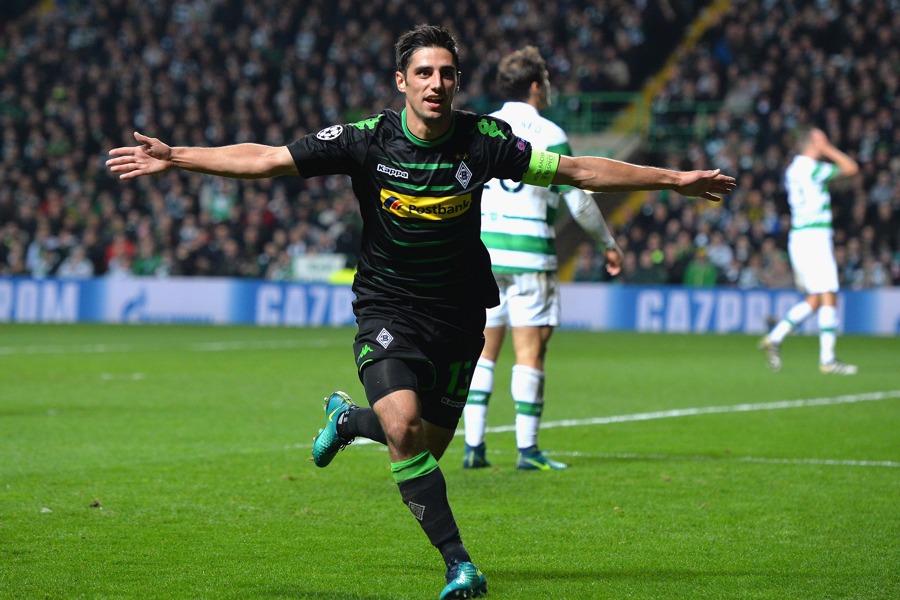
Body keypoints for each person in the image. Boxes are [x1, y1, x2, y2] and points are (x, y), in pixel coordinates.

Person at [107, 24, 735, 599]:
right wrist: (177, 156)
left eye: (447, 74)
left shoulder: (483, 140)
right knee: (405, 429)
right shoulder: (364, 141)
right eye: (425, 73)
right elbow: (267, 158)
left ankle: (351, 423)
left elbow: (578, 171)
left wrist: (674, 180)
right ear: (401, 82)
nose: (437, 84)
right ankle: (459, 562)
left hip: (459, 312)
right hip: (387, 306)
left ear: (456, 82)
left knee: (423, 447)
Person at [461, 46, 623, 472]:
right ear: (536, 85)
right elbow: (580, 201)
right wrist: (607, 243)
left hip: (484, 256)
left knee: (481, 352)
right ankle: (527, 450)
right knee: (530, 352)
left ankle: (473, 447)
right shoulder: (550, 133)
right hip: (531, 256)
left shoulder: (482, 127)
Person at [758, 127, 859, 375]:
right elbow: (851, 168)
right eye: (822, 138)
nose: (826, 140)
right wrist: (828, 150)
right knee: (829, 293)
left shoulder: (794, 168)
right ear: (814, 142)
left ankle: (776, 336)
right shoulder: (811, 167)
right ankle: (828, 359)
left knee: (815, 299)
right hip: (815, 237)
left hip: (800, 236)